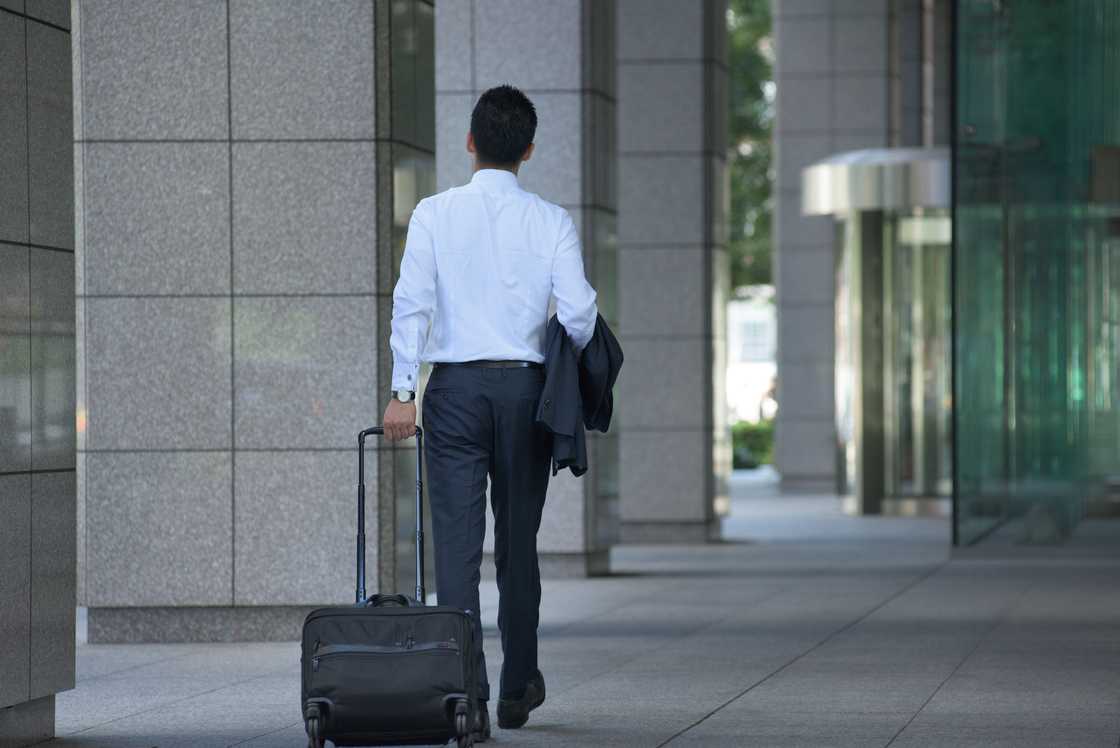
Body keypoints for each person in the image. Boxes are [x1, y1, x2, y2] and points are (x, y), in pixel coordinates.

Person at [382, 84, 598, 740]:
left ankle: (463, 697)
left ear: (470, 142)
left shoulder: (433, 214)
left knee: (455, 549)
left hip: (452, 394)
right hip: (527, 394)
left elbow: (412, 304)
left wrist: (402, 392)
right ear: (528, 150)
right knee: (517, 546)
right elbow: (580, 314)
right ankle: (518, 686)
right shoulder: (551, 221)